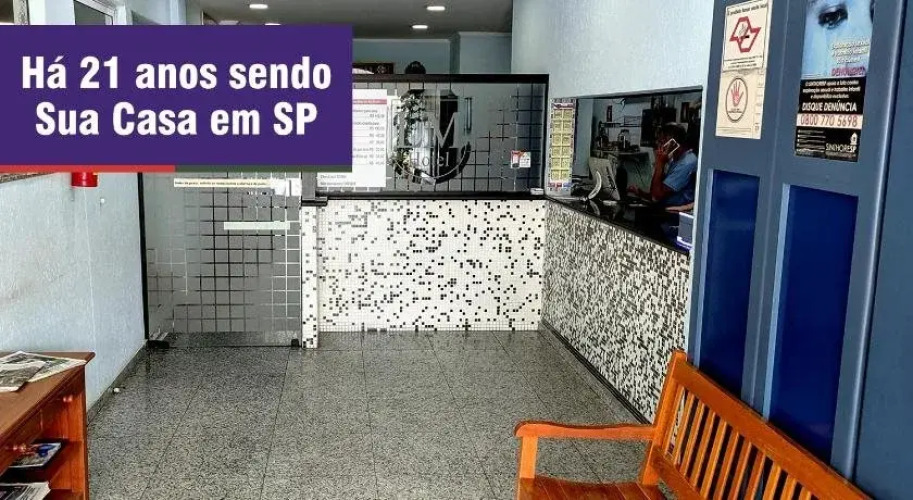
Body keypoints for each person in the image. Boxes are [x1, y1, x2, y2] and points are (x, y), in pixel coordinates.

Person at [629, 123, 698, 209]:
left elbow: (656, 196)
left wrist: (660, 164)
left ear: (672, 143)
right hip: (666, 207)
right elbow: (655, 194)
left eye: (661, 142)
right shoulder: (675, 160)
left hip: (674, 212)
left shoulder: (686, 163)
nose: (658, 145)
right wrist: (640, 193)